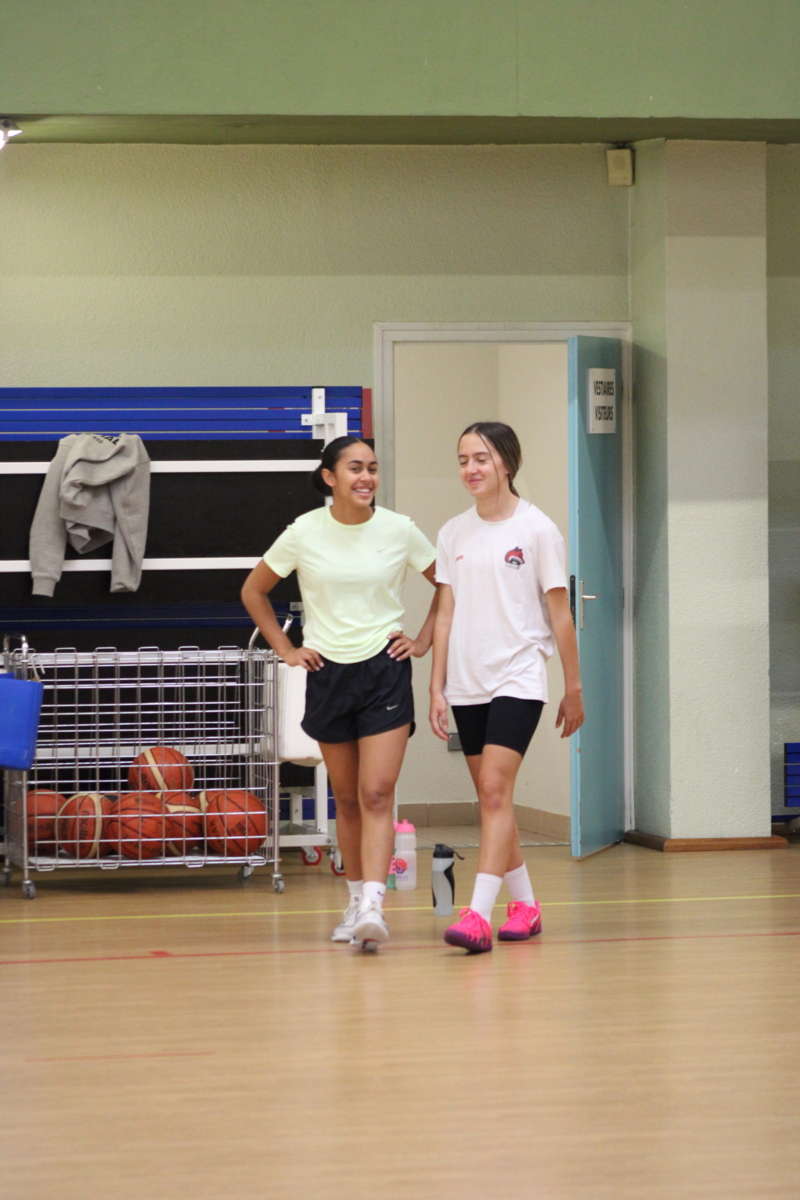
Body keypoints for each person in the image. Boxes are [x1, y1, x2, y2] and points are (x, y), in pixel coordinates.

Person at [242, 436, 437, 952]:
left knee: (377, 793)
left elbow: (449, 583)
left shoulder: (400, 529)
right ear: (330, 477)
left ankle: (374, 903)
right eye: (355, 468)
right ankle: (354, 901)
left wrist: (422, 640)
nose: (366, 477)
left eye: (372, 468)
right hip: (328, 672)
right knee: (346, 798)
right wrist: (287, 649)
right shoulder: (304, 531)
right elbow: (253, 590)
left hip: (385, 671)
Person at [429, 422, 584, 954]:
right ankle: (526, 906)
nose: (470, 469)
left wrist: (573, 687)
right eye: (463, 459)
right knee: (493, 799)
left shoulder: (538, 530)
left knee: (494, 792)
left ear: (507, 464)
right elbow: (444, 614)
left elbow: (560, 615)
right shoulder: (453, 532)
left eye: (481, 458)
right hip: (466, 682)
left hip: (519, 676)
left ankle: (476, 915)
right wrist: (436, 686)